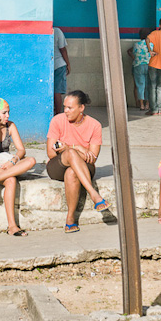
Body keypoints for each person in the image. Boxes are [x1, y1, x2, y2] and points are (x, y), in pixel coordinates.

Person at [46, 89, 109, 232]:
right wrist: (75, 148)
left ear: (81, 108)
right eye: (64, 107)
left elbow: (92, 157)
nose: (66, 111)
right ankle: (94, 194)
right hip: (57, 165)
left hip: (84, 168)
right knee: (71, 153)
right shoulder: (57, 120)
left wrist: (69, 149)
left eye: (70, 107)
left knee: (71, 173)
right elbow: (50, 153)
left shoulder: (95, 125)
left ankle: (70, 219)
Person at [0, 98, 38, 236]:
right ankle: (12, 226)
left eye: (8, 112)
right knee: (11, 180)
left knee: (31, 161)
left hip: (6, 163)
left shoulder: (10, 126)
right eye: (4, 113)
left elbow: (21, 150)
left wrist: (13, 161)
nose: (8, 116)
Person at [127, 28, 154, 111]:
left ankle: (141, 105)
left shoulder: (136, 45)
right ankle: (147, 104)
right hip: (149, 66)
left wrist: (133, 57)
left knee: (140, 86)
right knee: (148, 85)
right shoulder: (152, 45)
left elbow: (131, 52)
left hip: (138, 66)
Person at [53, 26, 71, 114]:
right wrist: (68, 64)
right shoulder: (57, 31)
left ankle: (54, 111)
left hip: (48, 66)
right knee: (57, 91)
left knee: (52, 91)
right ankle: (58, 114)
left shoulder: (42, 30)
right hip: (59, 65)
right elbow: (63, 49)